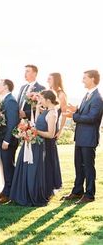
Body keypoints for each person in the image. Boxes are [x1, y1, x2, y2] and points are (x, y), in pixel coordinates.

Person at [10, 90, 58, 206]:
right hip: (33, 143)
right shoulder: (46, 111)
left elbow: (51, 134)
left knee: (35, 170)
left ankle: (34, 194)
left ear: (48, 100)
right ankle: (23, 193)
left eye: (41, 99)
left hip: (40, 146)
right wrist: (36, 110)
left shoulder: (52, 114)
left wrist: (35, 132)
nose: (40, 101)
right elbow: (37, 123)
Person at [62, 70, 103, 204]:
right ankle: (77, 191)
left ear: (92, 79)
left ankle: (89, 194)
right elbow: (85, 112)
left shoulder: (98, 98)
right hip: (80, 137)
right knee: (78, 166)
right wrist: (76, 109)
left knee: (88, 167)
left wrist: (73, 116)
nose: (82, 80)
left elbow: (92, 118)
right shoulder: (87, 95)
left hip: (89, 139)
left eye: (84, 78)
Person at [0, 79, 19, 203]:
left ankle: (9, 193)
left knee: (8, 166)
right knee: (6, 166)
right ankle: (7, 189)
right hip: (3, 138)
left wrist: (7, 140)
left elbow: (12, 123)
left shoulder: (10, 101)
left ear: (5, 86)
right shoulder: (5, 100)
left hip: (8, 140)